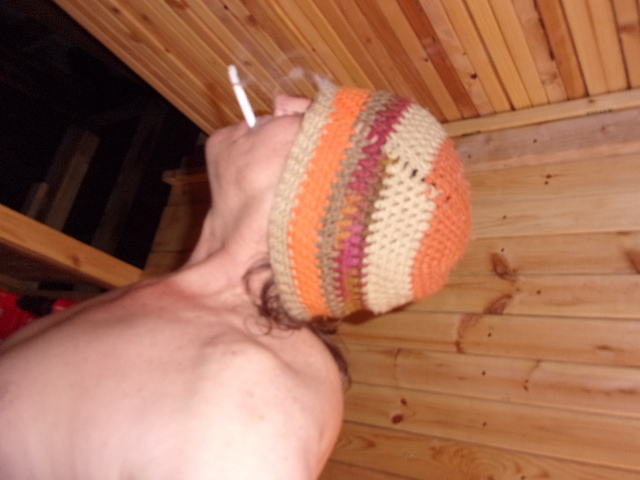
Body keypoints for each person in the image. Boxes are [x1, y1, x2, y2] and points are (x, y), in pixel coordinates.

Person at [0, 84, 470, 479]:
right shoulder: (189, 307)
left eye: (309, 116)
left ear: (328, 197)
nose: (284, 100)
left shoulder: (247, 399)